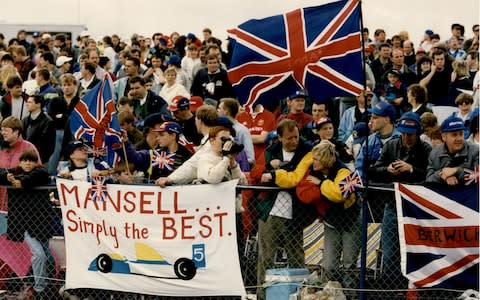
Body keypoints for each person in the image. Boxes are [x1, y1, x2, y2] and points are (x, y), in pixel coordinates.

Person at [369, 112, 432, 288]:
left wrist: (411, 169)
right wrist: (388, 170)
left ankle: (415, 287)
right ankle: (390, 288)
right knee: (390, 251)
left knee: (417, 250)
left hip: (417, 208)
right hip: (393, 204)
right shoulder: (391, 145)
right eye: (403, 133)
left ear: (418, 132)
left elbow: (431, 175)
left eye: (410, 134)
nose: (406, 137)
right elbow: (374, 170)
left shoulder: (427, 149)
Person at [256, 119, 314, 300]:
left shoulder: (306, 150)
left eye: (296, 137)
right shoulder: (270, 151)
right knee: (266, 258)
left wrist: (277, 172)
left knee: (296, 256)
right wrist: (269, 167)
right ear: (280, 137)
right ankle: (262, 295)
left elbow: (300, 176)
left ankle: (299, 295)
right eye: (289, 138)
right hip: (271, 211)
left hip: (295, 212)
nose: (293, 141)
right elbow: (256, 173)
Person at [295, 141, 360, 297]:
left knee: (349, 265)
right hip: (331, 221)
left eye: (316, 158)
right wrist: (322, 189)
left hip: (351, 220)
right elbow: (303, 190)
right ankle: (328, 295)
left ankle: (349, 296)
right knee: (329, 265)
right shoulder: (313, 171)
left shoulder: (345, 170)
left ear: (325, 160)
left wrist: (322, 184)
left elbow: (339, 194)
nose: (313, 161)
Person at [0, 150, 54, 298]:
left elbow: (38, 175)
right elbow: (1, 174)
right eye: (24, 161)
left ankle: (43, 283)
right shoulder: (15, 172)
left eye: (31, 161)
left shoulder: (40, 172)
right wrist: (7, 177)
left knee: (47, 255)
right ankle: (40, 288)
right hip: (23, 223)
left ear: (36, 162)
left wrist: (21, 182)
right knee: (39, 255)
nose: (28, 163)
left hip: (41, 223)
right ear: (20, 161)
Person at [155, 105, 219, 187]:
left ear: (199, 121)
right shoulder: (211, 140)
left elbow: (192, 166)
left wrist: (170, 179)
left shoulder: (212, 142)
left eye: (195, 119)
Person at [120, 121, 192, 182]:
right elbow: (135, 157)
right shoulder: (154, 154)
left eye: (162, 135)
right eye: (158, 135)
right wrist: (126, 142)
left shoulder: (187, 157)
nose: (157, 138)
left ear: (173, 135)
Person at [426, 115, 479, 185]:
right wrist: (443, 175)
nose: (459, 138)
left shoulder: (475, 151)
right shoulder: (435, 153)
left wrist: (457, 171)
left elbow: (478, 175)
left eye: (461, 134)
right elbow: (428, 179)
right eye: (454, 135)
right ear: (444, 137)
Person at [217, 98, 255, 167]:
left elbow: (250, 158)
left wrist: (235, 162)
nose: (217, 110)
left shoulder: (242, 130)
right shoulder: (217, 129)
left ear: (226, 111)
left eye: (219, 108)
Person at [22, 95, 56, 167]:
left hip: (40, 159)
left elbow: (47, 144)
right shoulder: (25, 120)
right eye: (27, 102)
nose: (27, 104)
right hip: (25, 158)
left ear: (38, 105)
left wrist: (37, 157)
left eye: (30, 102)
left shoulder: (48, 122)